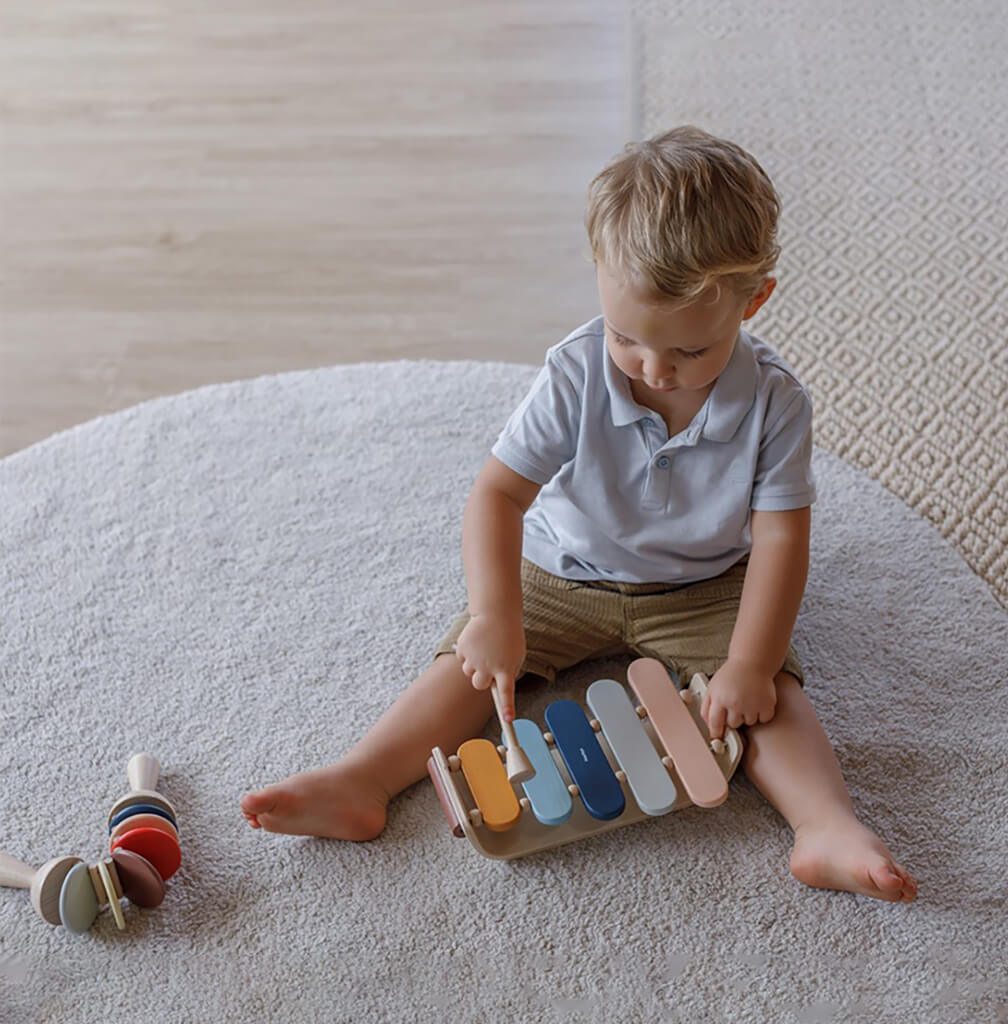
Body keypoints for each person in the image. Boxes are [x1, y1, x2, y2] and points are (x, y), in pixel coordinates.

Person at [241, 126, 917, 902]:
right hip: (567, 569)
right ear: (599, 277)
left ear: (754, 299)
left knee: (770, 702)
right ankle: (362, 780)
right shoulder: (574, 372)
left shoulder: (775, 403)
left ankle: (825, 826)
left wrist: (751, 664)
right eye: (629, 338)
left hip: (704, 587)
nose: (654, 369)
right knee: (466, 665)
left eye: (690, 353)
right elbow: (498, 495)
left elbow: (780, 539)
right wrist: (495, 614)